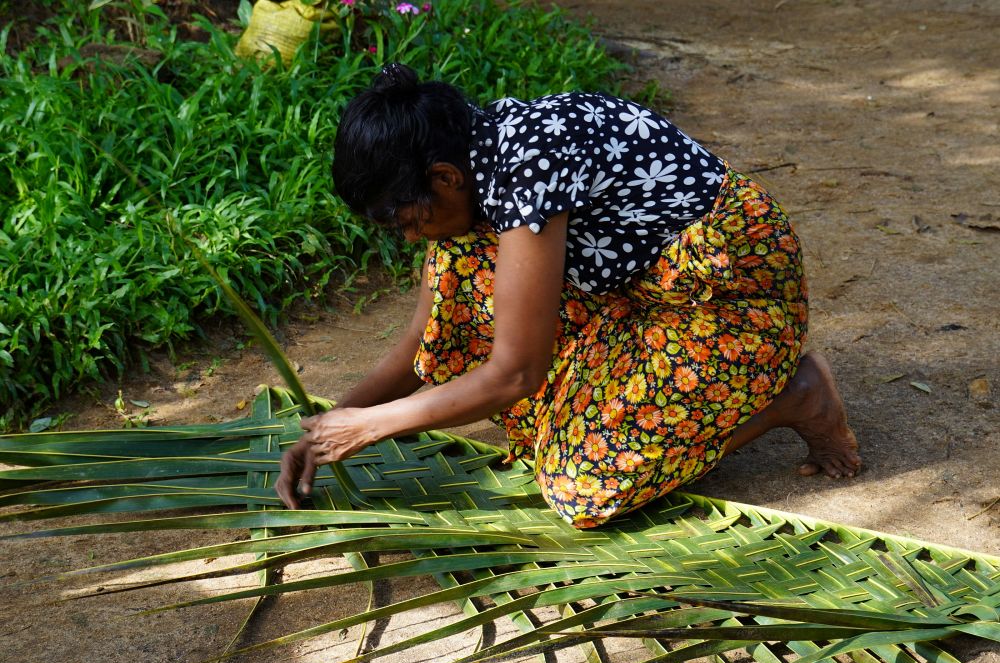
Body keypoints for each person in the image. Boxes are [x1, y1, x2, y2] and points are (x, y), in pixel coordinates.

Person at [275, 63, 861, 528]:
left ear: (445, 178)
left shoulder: (527, 169)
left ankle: (792, 395)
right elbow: (424, 335)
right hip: (644, 290)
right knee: (461, 265)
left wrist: (373, 426)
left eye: (403, 218)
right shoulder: (476, 157)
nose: (407, 236)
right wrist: (331, 424)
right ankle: (661, 388)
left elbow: (514, 375)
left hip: (729, 300)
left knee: (581, 484)